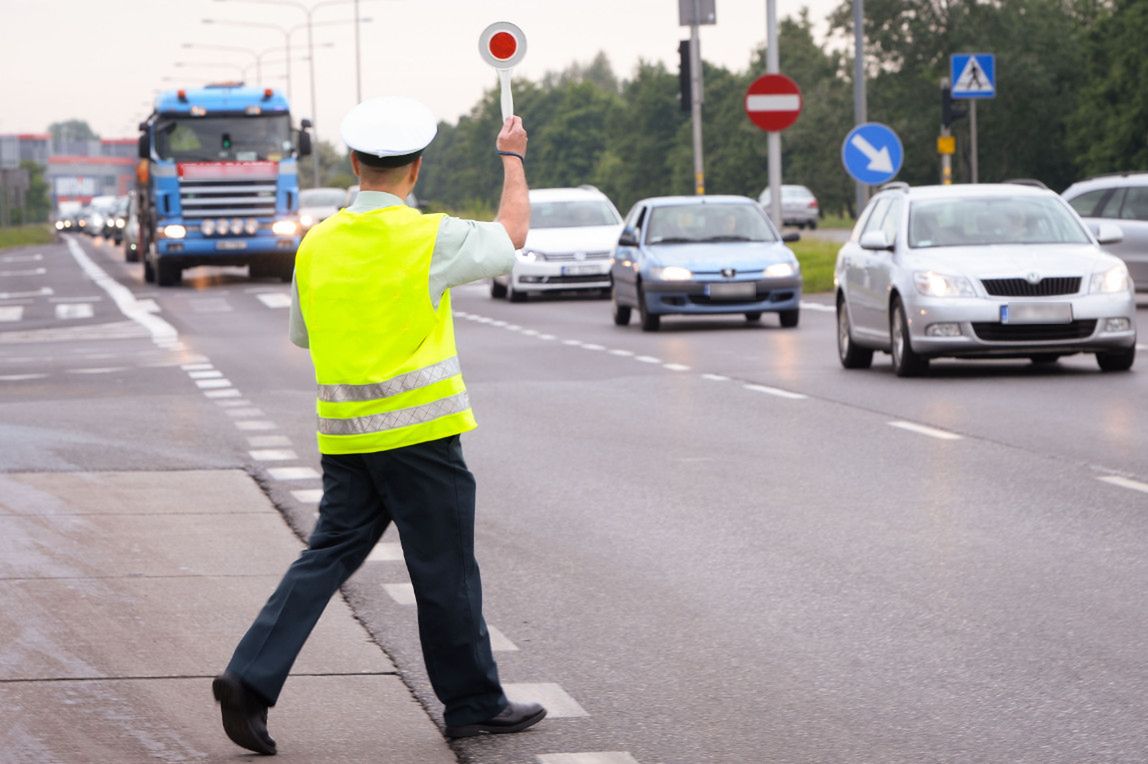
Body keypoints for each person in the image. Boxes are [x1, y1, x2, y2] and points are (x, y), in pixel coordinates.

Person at [212, 96, 544, 755]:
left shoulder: (315, 244)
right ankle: (474, 703)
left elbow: (304, 337)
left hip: (346, 439)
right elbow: (512, 235)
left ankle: (248, 679)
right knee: (444, 570)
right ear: (414, 171)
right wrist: (512, 158)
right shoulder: (430, 236)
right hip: (419, 439)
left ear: (356, 166)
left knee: (326, 555)